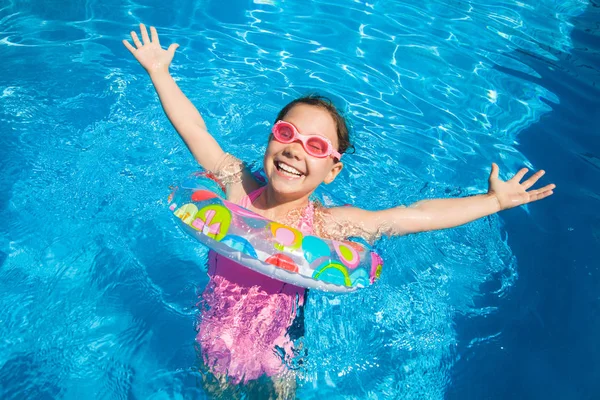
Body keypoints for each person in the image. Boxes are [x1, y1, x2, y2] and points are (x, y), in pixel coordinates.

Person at [123, 24, 555, 396]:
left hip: (280, 343)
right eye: (286, 132)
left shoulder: (329, 223)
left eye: (315, 146)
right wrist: (160, 73)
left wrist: (494, 201)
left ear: (332, 170)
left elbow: (411, 215)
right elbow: (196, 130)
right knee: (213, 390)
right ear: (270, 140)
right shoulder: (237, 183)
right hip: (217, 325)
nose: (295, 149)